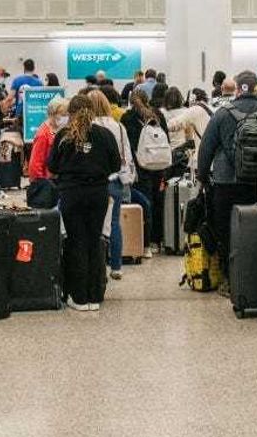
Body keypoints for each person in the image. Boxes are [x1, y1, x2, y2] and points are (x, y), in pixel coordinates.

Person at [196, 71, 257, 288]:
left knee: (225, 231)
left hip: (226, 183)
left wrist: (202, 177)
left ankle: (230, 280)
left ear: (237, 90)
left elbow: (206, 150)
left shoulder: (221, 114)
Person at [47, 95, 121, 312]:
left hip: (72, 194)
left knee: (76, 241)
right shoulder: (105, 135)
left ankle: (78, 297)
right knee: (94, 240)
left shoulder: (64, 135)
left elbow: (52, 165)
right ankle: (94, 295)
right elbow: (116, 164)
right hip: (98, 193)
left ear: (70, 112)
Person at [87, 90, 135, 280]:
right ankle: (116, 266)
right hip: (115, 180)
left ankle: (96, 266)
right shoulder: (119, 127)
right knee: (114, 223)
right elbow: (127, 154)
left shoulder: (88, 127)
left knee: (92, 225)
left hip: (93, 181)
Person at [120, 90, 167, 255]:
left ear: (131, 102)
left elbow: (127, 146)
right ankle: (157, 240)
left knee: (145, 204)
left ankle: (145, 244)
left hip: (141, 168)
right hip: (159, 165)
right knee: (158, 202)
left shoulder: (127, 119)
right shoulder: (158, 115)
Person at [27, 96, 67, 187]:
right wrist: (40, 185)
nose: (65, 118)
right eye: (63, 114)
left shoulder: (60, 130)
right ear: (52, 114)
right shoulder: (43, 134)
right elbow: (35, 164)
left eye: (66, 114)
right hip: (48, 182)